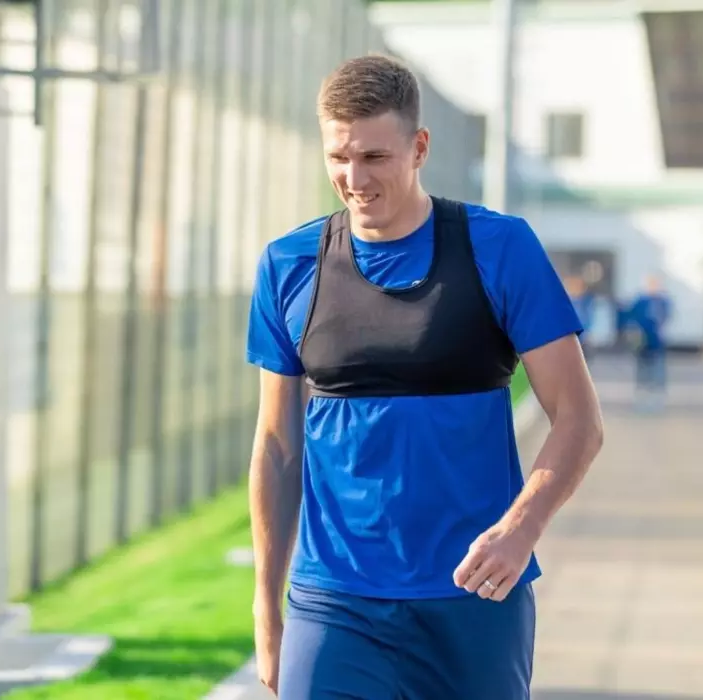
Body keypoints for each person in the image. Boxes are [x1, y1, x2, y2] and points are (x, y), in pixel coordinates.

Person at [245, 54, 604, 700]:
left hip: (474, 595)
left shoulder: (500, 248)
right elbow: (277, 448)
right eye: (338, 157)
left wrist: (521, 530)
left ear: (419, 148)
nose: (354, 179)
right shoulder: (289, 264)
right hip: (335, 600)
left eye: (374, 157)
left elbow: (579, 420)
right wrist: (266, 607)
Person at [624, 275, 672, 410]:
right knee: (642, 369)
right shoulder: (640, 301)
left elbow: (666, 317)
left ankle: (657, 396)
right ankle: (642, 395)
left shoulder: (662, 301)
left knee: (657, 368)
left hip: (657, 342)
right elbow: (631, 316)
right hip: (642, 341)